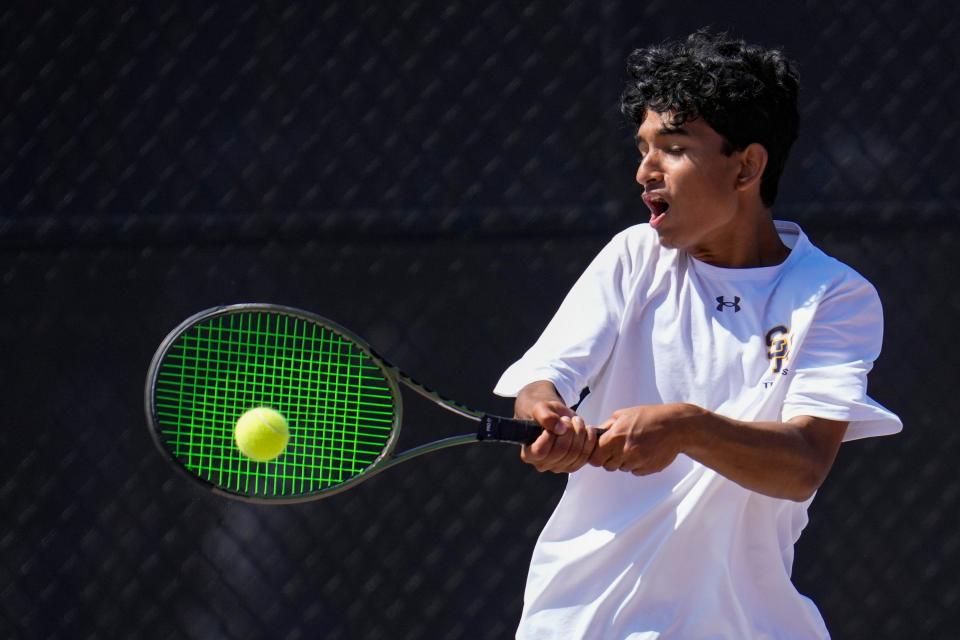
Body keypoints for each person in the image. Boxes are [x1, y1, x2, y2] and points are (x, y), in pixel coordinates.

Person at [494, 29, 902, 639]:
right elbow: (543, 380)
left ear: (746, 166)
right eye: (643, 148)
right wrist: (547, 417)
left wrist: (684, 427)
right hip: (584, 623)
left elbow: (802, 464)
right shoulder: (632, 258)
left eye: (674, 148)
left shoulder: (835, 297)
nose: (645, 171)